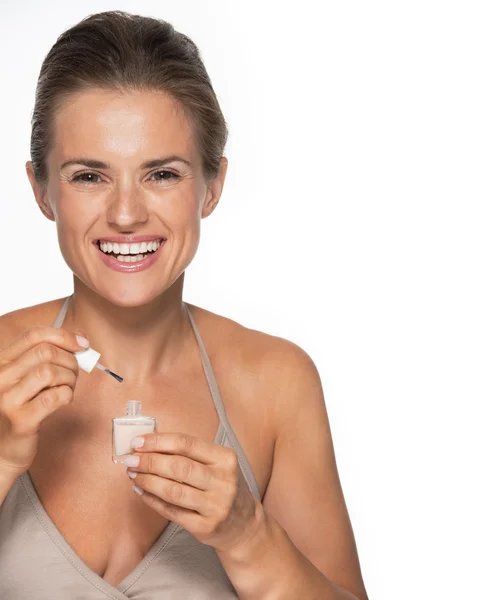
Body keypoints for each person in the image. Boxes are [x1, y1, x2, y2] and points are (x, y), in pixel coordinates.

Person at [0, 10, 369, 600]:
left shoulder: (276, 385)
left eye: (162, 174)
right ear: (41, 189)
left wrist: (250, 537)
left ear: (212, 186)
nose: (126, 215)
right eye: (90, 176)